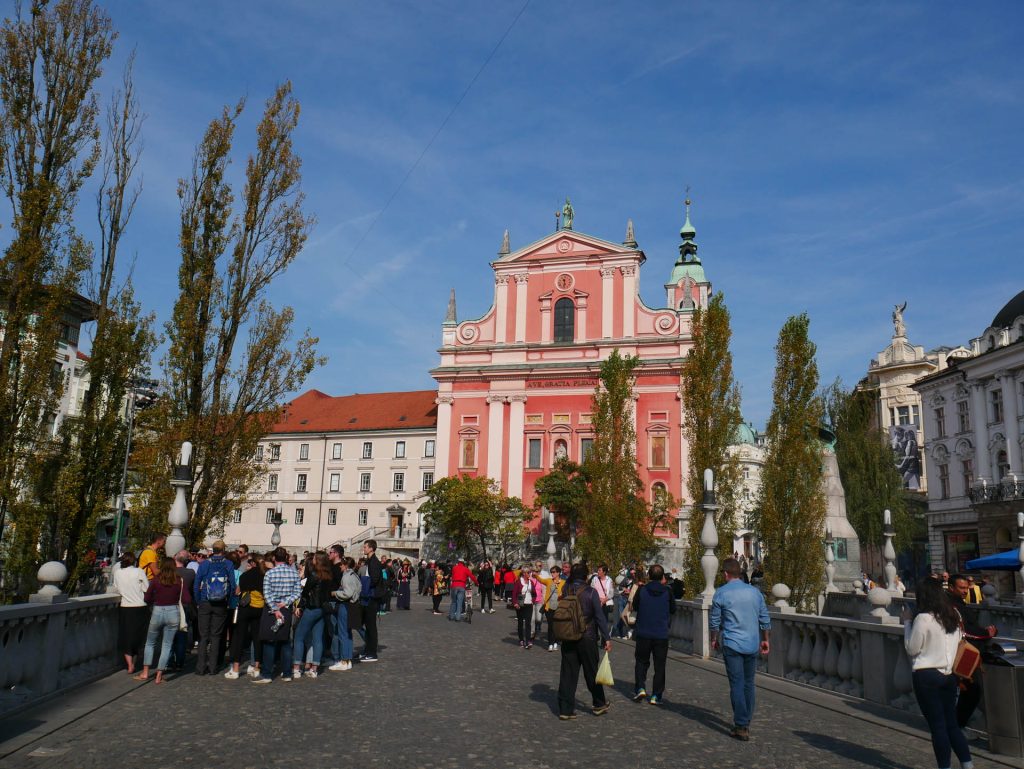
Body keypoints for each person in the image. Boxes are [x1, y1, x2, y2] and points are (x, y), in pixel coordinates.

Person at [904, 578, 974, 769]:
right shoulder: (954, 616)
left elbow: (912, 648)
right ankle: (968, 765)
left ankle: (945, 767)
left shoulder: (923, 618)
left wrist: (907, 623)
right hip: (949, 675)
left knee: (938, 726)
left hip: (926, 675)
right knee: (951, 724)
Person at [709, 558, 771, 741]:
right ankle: (746, 720)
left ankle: (741, 724)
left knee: (736, 683)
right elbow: (764, 618)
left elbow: (714, 622)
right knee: (749, 683)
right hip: (752, 643)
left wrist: (714, 639)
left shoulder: (721, 593)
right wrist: (765, 639)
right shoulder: (755, 593)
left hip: (732, 643)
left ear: (726, 574)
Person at [556, 563, 611, 720]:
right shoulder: (591, 592)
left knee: (568, 673)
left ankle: (565, 709)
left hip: (568, 634)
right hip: (587, 636)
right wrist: (606, 638)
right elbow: (599, 617)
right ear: (586, 575)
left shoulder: (566, 588)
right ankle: (599, 703)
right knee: (592, 671)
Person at [948, 574, 997, 729]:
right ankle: (957, 727)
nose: (965, 591)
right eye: (961, 588)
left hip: (968, 651)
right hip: (965, 654)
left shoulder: (958, 603)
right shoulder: (953, 606)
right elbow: (964, 630)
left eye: (966, 587)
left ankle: (956, 726)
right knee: (971, 692)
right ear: (951, 588)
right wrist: (986, 633)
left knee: (967, 693)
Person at [135, 558, 190, 684]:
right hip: (173, 612)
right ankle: (159, 675)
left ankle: (145, 672)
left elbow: (147, 597)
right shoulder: (179, 580)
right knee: (167, 645)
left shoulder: (156, 579)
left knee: (150, 643)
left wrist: (155, 599)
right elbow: (187, 599)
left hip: (158, 610)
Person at [254, 547, 301, 683]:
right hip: (285, 608)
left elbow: (266, 594)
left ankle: (267, 674)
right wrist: (285, 603)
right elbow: (297, 593)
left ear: (274, 558)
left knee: (269, 642)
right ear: (286, 558)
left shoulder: (269, 574)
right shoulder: (294, 574)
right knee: (285, 641)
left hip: (271, 609)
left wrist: (275, 609)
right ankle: (286, 673)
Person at [632, 564, 676, 705]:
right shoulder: (667, 591)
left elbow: (635, 606)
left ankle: (640, 687)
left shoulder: (642, 590)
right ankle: (656, 695)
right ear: (663, 577)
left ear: (649, 576)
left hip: (644, 631)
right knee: (660, 665)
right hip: (661, 633)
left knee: (641, 661)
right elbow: (673, 609)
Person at [192, 539, 236, 675]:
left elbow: (196, 583)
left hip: (205, 601)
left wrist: (198, 601)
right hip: (221, 603)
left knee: (203, 636)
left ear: (213, 550)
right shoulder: (228, 564)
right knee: (216, 636)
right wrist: (228, 600)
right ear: (223, 551)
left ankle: (200, 667)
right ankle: (212, 667)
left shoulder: (205, 564)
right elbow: (233, 585)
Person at [225, 556, 267, 679]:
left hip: (245, 607)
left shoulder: (244, 575)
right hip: (259, 608)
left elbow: (237, 591)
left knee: (240, 637)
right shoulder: (264, 576)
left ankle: (236, 668)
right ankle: (256, 667)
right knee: (257, 637)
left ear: (253, 563)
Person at [293, 553, 334, 679]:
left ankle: (296, 667)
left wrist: (299, 606)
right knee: (317, 639)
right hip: (322, 609)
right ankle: (314, 668)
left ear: (318, 561)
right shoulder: (328, 575)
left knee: (299, 637)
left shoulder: (315, 575)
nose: (313, 560)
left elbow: (305, 592)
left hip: (312, 608)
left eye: (315, 558)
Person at [113, 551, 149, 674]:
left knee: (126, 636)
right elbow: (146, 588)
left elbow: (116, 588)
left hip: (125, 607)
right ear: (134, 560)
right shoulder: (139, 571)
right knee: (138, 636)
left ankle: (129, 665)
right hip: (139, 607)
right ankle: (134, 662)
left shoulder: (118, 573)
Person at [329, 556, 360, 671]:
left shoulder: (347, 577)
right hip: (352, 605)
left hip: (345, 605)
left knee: (343, 633)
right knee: (348, 633)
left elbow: (347, 593)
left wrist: (335, 593)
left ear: (346, 565)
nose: (340, 566)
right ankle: (348, 660)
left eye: (342, 564)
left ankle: (344, 660)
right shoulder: (354, 575)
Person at [170, 550, 196, 670]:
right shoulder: (190, 573)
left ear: (175, 558)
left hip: (171, 604)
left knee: (169, 635)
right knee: (182, 633)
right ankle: (180, 661)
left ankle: (169, 661)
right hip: (185, 604)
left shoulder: (169, 572)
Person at [360, 539, 384, 661]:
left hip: (372, 597)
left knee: (371, 626)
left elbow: (374, 579)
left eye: (365, 547)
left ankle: (372, 652)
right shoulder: (369, 561)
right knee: (367, 625)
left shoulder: (374, 562)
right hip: (367, 596)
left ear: (371, 548)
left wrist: (364, 584)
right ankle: (367, 649)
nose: (363, 549)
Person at [511, 565, 542, 649]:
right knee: (520, 622)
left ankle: (528, 641)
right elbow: (514, 594)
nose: (530, 574)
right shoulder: (518, 582)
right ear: (524, 573)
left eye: (530, 572)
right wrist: (515, 603)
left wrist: (533, 601)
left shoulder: (530, 582)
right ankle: (521, 639)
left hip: (529, 604)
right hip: (520, 604)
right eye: (528, 572)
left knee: (528, 623)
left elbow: (534, 593)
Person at [540, 565, 565, 651]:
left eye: (554, 572)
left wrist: (562, 595)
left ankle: (555, 642)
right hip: (549, 607)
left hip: (559, 607)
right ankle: (550, 643)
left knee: (557, 626)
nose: (552, 574)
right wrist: (535, 574)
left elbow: (566, 592)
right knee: (551, 625)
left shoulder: (563, 582)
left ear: (558, 573)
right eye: (551, 572)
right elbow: (541, 580)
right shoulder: (548, 581)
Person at [448, 556, 478, 622]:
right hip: (462, 586)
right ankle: (458, 618)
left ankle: (451, 616)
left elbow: (452, 576)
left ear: (458, 562)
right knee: (460, 602)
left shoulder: (454, 568)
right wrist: (477, 583)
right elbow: (472, 576)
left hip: (454, 585)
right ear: (463, 563)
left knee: (453, 602)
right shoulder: (465, 569)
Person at [590, 564, 615, 628]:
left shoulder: (609, 580)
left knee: (604, 621)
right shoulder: (595, 579)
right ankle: (596, 636)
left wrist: (603, 601)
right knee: (595, 620)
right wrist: (599, 599)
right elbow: (591, 590)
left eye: (599, 570)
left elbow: (611, 593)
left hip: (605, 604)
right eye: (598, 570)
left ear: (604, 572)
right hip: (595, 602)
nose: (598, 571)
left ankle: (604, 636)